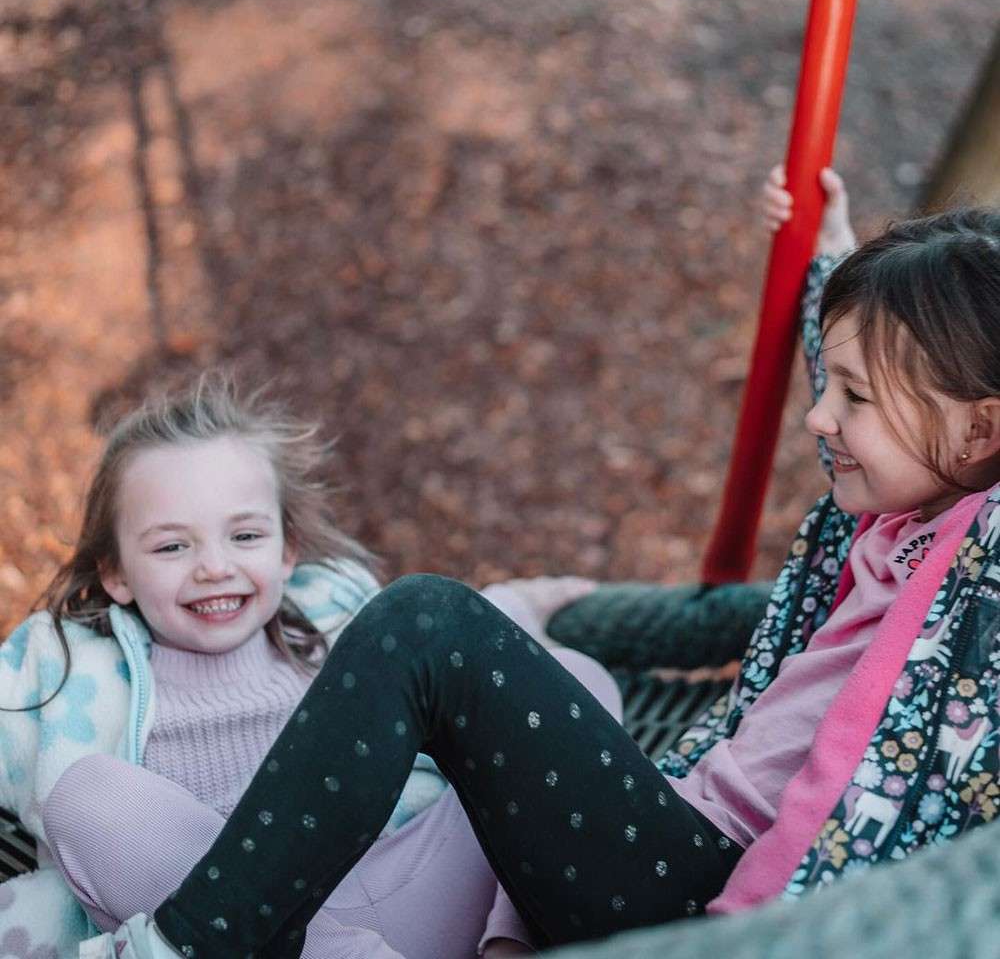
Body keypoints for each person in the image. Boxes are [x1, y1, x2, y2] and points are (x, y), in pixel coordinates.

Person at [86, 170, 1000, 959]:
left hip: (720, 911)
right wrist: (831, 255)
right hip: (671, 836)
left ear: (982, 430)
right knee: (480, 650)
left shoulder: (979, 575)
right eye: (832, 387)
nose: (821, 417)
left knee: (426, 625)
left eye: (856, 397)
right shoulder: (889, 521)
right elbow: (885, 390)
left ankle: (190, 941)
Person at [0, 377, 618, 958]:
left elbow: (460, 649)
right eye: (172, 546)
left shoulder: (336, 620)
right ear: (115, 573)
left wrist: (531, 600)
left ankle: (515, 943)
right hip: (253, 925)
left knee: (573, 682)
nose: (214, 567)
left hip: (427, 878)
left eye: (244, 537)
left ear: (288, 548)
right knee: (87, 795)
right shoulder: (71, 670)